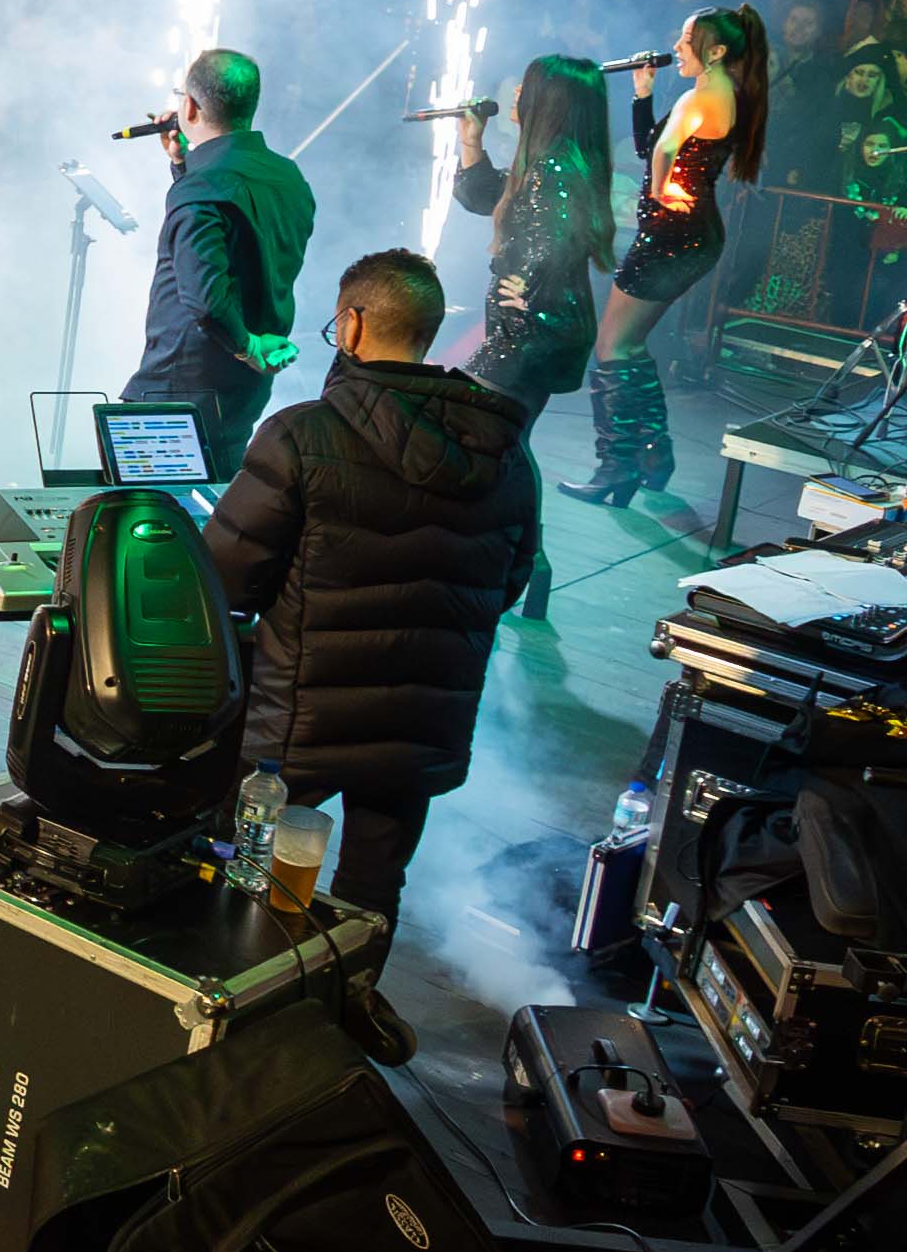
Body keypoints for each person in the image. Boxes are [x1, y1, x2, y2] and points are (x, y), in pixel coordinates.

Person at [193, 246, 539, 933]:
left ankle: (232, 977)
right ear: (428, 331)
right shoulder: (504, 447)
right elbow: (509, 580)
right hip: (422, 723)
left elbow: (225, 579)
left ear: (350, 326)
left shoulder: (302, 435)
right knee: (373, 890)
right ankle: (351, 986)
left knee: (242, 868)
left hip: (299, 723)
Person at [576, 7, 768, 516]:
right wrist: (642, 95)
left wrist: (661, 191)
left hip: (671, 236)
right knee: (628, 344)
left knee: (611, 345)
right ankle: (651, 456)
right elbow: (650, 146)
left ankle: (618, 465)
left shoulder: (699, 97)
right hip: (690, 236)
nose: (677, 48)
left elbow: (660, 153)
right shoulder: (723, 96)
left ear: (716, 51)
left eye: (687, 40)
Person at [447, 56, 606, 623]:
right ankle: (519, 559)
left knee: (490, 435)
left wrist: (527, 290)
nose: (514, 94)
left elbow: (557, 241)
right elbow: (484, 197)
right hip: (535, 326)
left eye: (526, 88)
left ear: (549, 102)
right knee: (505, 440)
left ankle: (518, 557)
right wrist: (471, 140)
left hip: (535, 330)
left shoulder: (558, 168)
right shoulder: (548, 160)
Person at [122, 47, 317, 480]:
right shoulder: (289, 178)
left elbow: (206, 298)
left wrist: (247, 347)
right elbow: (237, 241)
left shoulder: (202, 188)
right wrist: (182, 164)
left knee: (148, 510)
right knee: (214, 504)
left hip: (178, 392)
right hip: (243, 391)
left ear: (190, 107)